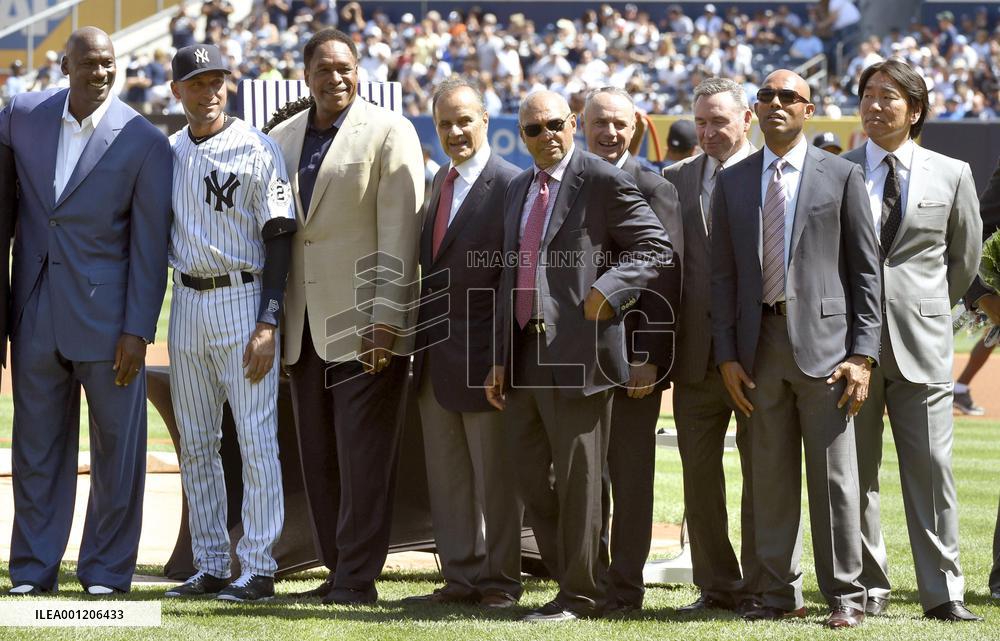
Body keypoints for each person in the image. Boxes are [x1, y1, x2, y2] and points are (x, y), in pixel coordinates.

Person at [483, 90, 672, 622]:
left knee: (580, 480)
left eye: (552, 125)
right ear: (521, 136)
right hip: (522, 354)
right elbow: (508, 276)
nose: (544, 137)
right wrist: (499, 357)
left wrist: (609, 290)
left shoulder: (601, 177)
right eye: (532, 131)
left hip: (581, 353)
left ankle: (580, 594)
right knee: (529, 477)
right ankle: (575, 577)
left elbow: (655, 248)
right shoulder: (519, 186)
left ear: (571, 124)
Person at [1, 27, 172, 596]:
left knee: (118, 454)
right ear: (65, 65)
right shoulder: (21, 116)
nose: (100, 73)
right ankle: (31, 571)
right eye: (89, 63)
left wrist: (138, 331)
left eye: (109, 63)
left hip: (110, 325)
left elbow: (150, 250)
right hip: (35, 314)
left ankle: (105, 573)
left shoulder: (145, 139)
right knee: (36, 450)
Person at [711, 69, 881, 628]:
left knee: (834, 478)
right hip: (758, 346)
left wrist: (863, 354)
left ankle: (846, 597)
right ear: (754, 110)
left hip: (828, 352)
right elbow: (723, 277)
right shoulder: (732, 181)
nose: (777, 103)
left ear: (809, 109)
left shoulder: (841, 174)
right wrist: (727, 355)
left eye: (790, 97)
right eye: (767, 96)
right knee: (769, 477)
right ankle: (776, 594)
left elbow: (865, 273)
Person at [266, 27, 424, 605]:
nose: (336, 77)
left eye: (346, 67)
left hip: (364, 326)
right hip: (302, 328)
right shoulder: (280, 138)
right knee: (320, 457)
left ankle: (358, 578)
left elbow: (400, 232)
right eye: (324, 68)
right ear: (305, 74)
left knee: (363, 458)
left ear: (359, 72)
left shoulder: (389, 131)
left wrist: (387, 316)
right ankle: (337, 573)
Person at [843, 58, 983, 623]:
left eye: (889, 97)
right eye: (868, 95)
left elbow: (964, 258)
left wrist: (923, 307)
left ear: (915, 109)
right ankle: (869, 585)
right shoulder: (839, 171)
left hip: (923, 343)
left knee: (931, 472)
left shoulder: (952, 173)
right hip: (851, 348)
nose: (876, 106)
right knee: (854, 472)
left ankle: (943, 591)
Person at [161, 44, 296, 602]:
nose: (209, 90)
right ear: (177, 92)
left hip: (243, 299)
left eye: (217, 80)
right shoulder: (165, 152)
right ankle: (212, 562)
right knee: (196, 440)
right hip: (186, 303)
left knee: (256, 438)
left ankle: (259, 566)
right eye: (197, 82)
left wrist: (268, 320)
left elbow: (281, 235)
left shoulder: (258, 148)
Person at [404, 79, 522, 609]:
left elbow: (513, 283)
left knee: (495, 481)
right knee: (448, 479)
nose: (455, 131)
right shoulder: (436, 185)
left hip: (486, 361)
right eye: (445, 123)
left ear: (486, 123)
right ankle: (461, 577)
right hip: (433, 358)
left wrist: (502, 357)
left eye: (464, 120)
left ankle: (499, 581)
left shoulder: (511, 185)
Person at [581, 86, 681, 615]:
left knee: (631, 479)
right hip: (575, 362)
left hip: (633, 364)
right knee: (585, 481)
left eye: (619, 124)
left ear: (635, 126)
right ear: (582, 123)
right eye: (600, 123)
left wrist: (648, 356)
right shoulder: (570, 180)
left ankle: (625, 589)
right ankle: (589, 581)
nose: (609, 133)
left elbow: (664, 278)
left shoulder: (653, 185)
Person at [662, 76, 760, 615]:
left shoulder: (771, 177)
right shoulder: (674, 180)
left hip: (756, 356)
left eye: (719, 120)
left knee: (762, 475)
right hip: (694, 358)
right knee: (699, 480)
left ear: (746, 120)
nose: (708, 132)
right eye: (700, 121)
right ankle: (716, 585)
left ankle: (761, 583)